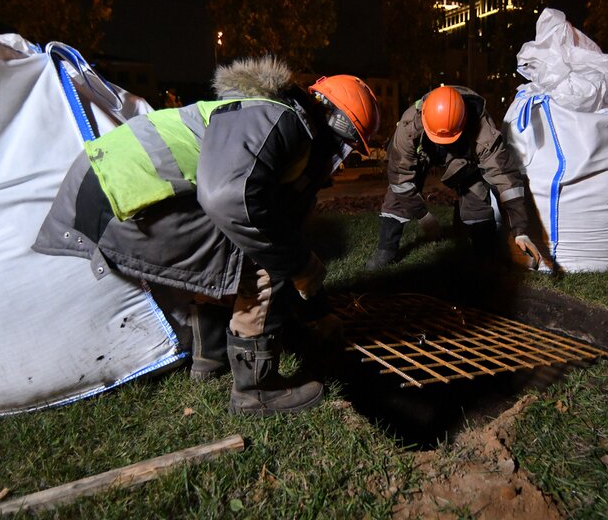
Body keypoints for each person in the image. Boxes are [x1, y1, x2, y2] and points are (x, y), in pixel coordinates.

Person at [33, 56, 381, 416]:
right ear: (332, 127)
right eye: (346, 149)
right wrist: (299, 266)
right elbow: (229, 199)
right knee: (264, 254)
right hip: (118, 198)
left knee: (243, 242)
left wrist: (317, 308)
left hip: (102, 191)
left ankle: (209, 359)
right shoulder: (285, 122)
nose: (339, 164)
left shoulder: (263, 114)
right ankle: (255, 390)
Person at [366, 84, 547, 271]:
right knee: (398, 193)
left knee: (475, 192)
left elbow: (505, 178)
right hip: (423, 150)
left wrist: (520, 230)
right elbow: (399, 177)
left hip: (463, 152)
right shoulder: (409, 126)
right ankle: (386, 250)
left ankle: (484, 253)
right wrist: (423, 216)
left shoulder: (483, 132)